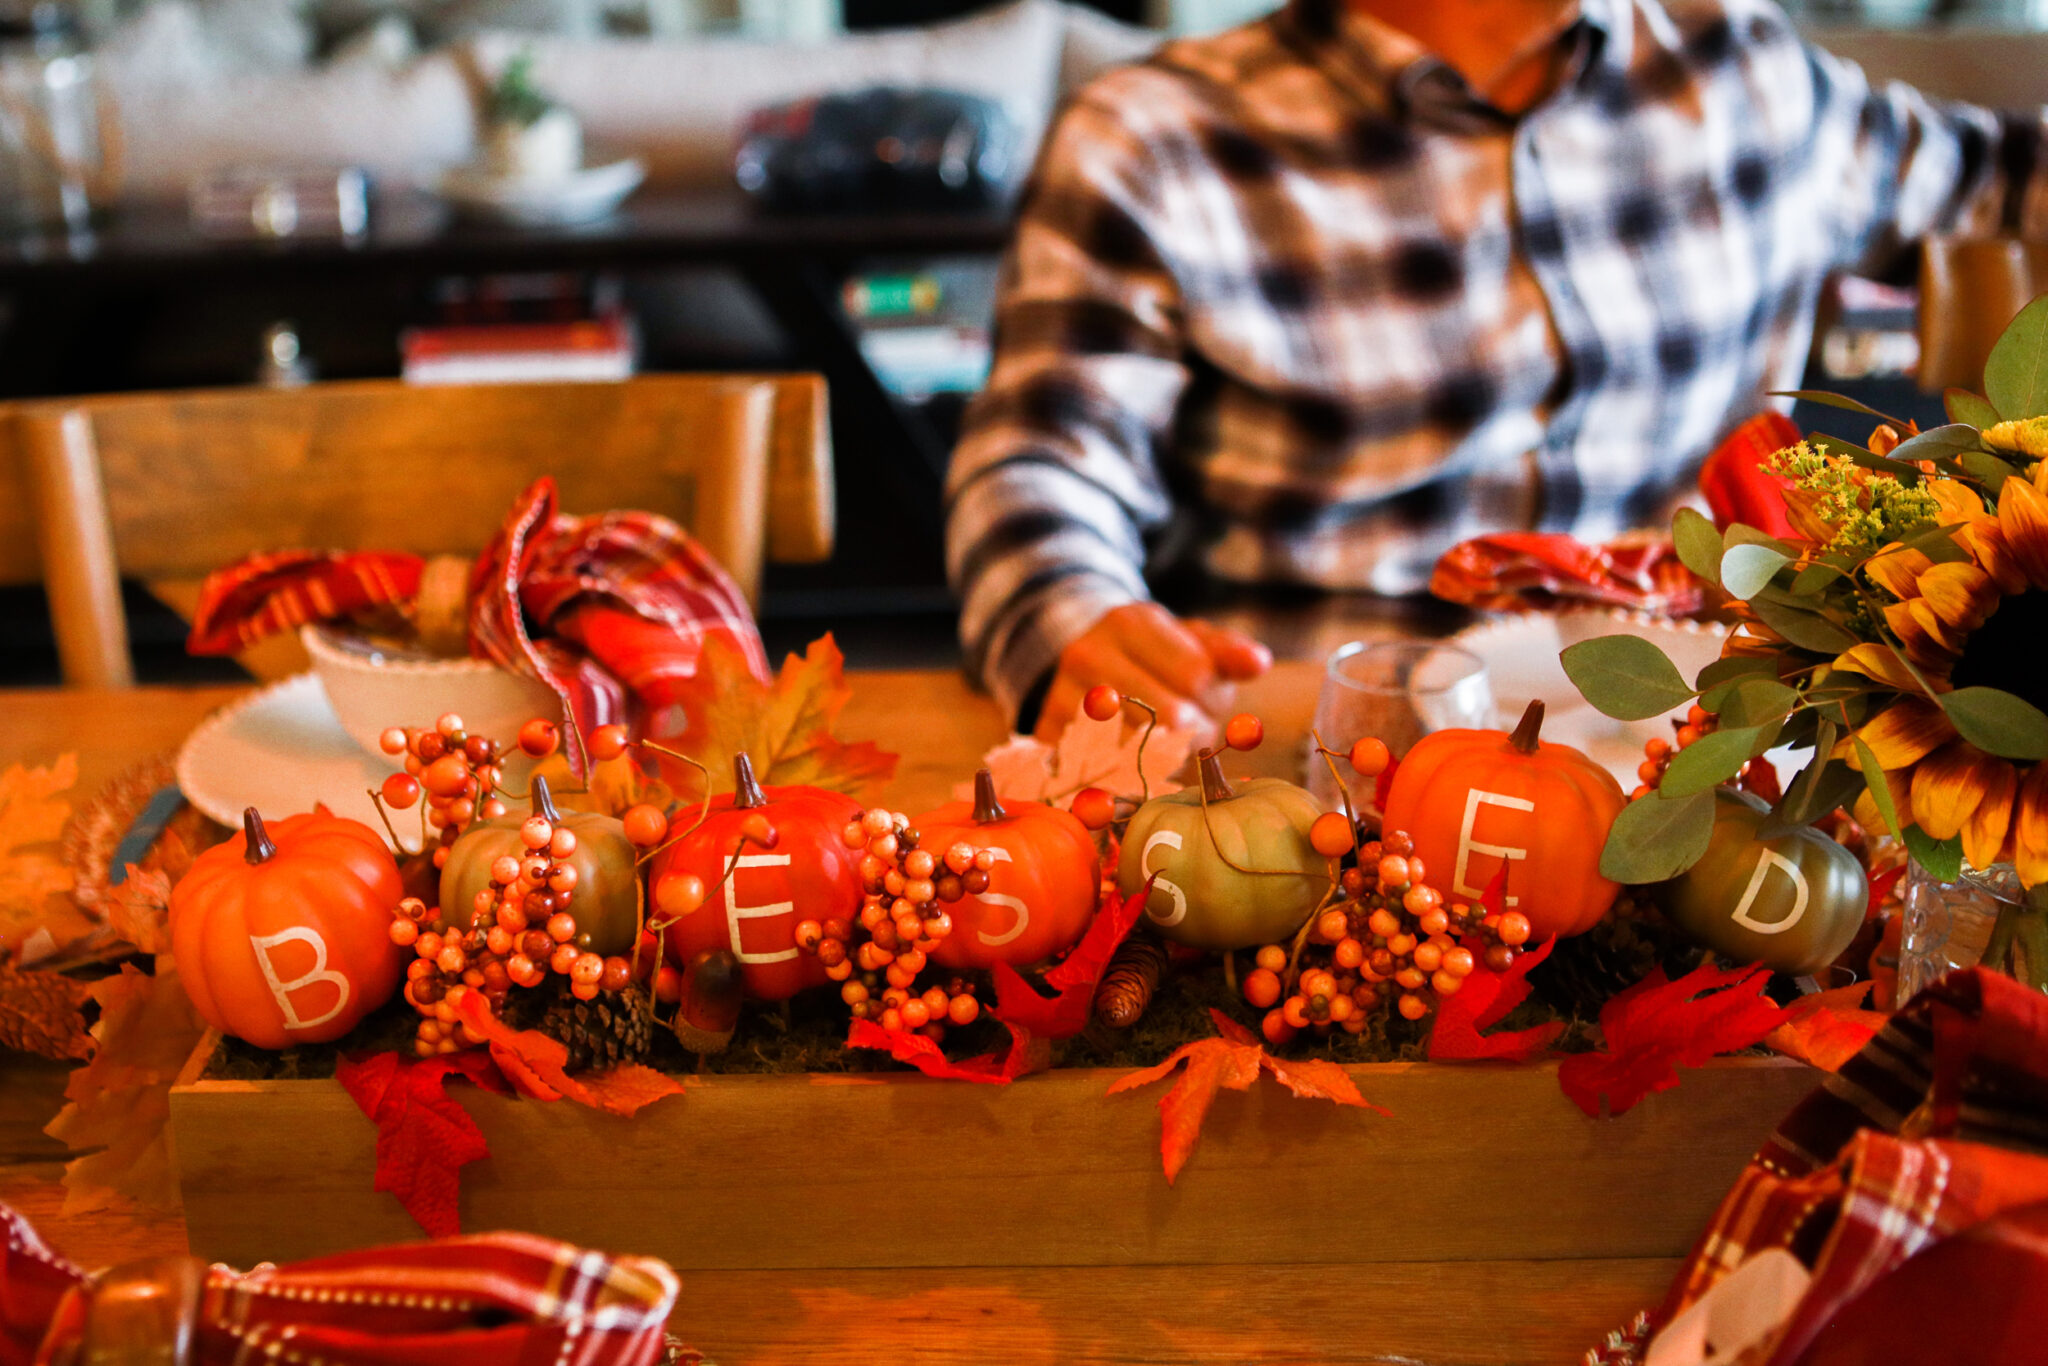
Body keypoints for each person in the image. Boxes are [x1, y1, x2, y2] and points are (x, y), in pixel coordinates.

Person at [944, 0, 2048, 738]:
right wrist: (1072, 615)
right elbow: (1037, 465)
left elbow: (1999, 178)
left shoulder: (1740, 66)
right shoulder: (1155, 138)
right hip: (1325, 773)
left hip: (1709, 763)